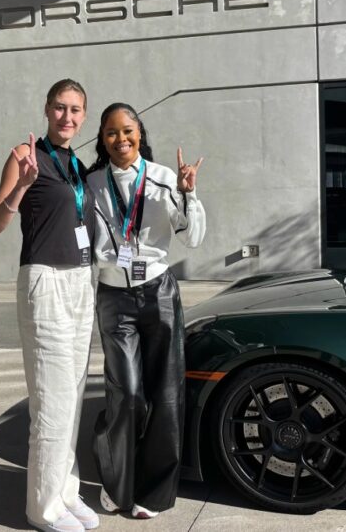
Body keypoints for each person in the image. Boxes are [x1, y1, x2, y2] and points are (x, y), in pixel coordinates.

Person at [0, 79, 99, 532]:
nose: (66, 117)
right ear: (46, 110)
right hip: (45, 282)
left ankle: (65, 493)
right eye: (59, 108)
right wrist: (21, 187)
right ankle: (43, 509)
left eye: (75, 110)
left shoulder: (77, 164)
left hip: (79, 284)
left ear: (83, 116)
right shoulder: (24, 156)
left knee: (70, 400)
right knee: (51, 402)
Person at [86, 103, 206, 519]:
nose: (121, 140)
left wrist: (188, 194)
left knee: (166, 394)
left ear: (140, 133)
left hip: (158, 292)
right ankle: (115, 480)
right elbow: (83, 243)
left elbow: (191, 239)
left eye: (128, 131)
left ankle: (153, 493)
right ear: (102, 139)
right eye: (112, 133)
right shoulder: (93, 182)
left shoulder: (163, 178)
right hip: (113, 297)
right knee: (128, 394)